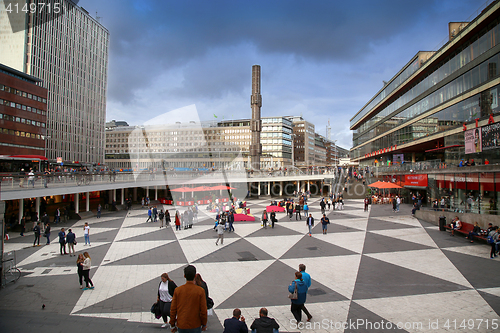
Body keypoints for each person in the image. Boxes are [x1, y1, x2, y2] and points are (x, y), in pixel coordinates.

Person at [169, 265, 207, 333]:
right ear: (195, 276)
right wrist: (204, 324)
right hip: (195, 324)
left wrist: (172, 324)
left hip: (182, 324)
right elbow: (203, 310)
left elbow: (173, 310)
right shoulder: (200, 291)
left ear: (184, 276)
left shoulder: (178, 290)